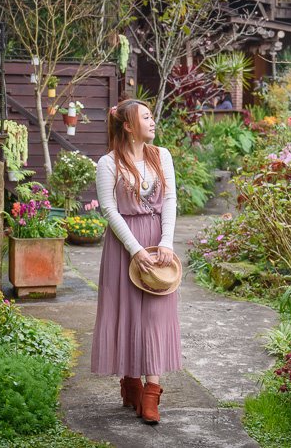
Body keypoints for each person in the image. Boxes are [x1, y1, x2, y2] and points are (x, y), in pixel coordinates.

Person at [92, 99, 181, 424]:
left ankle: (151, 392)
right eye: (145, 117)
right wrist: (135, 249)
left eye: (151, 116)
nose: (152, 121)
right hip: (123, 247)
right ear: (128, 125)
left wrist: (165, 243)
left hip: (158, 245)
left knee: (156, 317)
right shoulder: (108, 162)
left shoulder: (162, 156)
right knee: (126, 314)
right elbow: (109, 210)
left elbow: (170, 199)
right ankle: (130, 383)